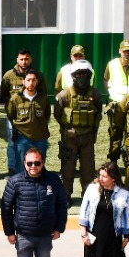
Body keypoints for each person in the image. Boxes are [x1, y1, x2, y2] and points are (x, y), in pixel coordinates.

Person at [1, 147, 67, 257]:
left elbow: (61, 204)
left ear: (42, 163)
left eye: (37, 163)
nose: (33, 166)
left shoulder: (53, 180)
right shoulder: (15, 181)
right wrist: (9, 232)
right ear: (24, 163)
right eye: (29, 163)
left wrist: (59, 228)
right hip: (24, 235)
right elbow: (6, 208)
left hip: (45, 236)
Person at [53, 61, 103, 198]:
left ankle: (87, 196)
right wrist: (67, 128)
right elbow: (57, 114)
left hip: (88, 137)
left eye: (85, 75)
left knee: (88, 169)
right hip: (70, 137)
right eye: (79, 75)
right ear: (73, 76)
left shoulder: (95, 94)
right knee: (68, 169)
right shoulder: (65, 95)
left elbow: (98, 113)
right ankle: (65, 196)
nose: (82, 78)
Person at [5, 69, 49, 177]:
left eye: (33, 80)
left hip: (40, 137)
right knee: (21, 167)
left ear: (37, 82)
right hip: (22, 138)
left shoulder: (43, 98)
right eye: (28, 80)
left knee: (39, 166)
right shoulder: (16, 98)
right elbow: (11, 115)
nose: (31, 83)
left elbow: (47, 115)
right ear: (23, 81)